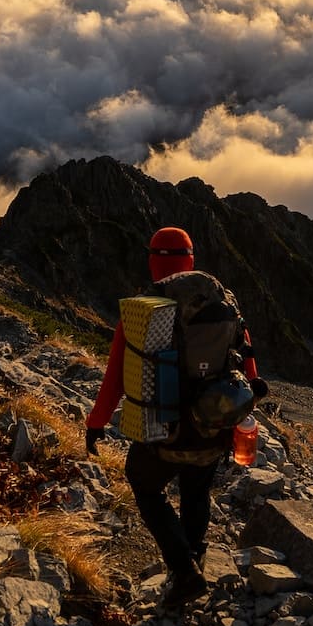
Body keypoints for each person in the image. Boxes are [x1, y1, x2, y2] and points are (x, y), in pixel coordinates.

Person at [85, 226, 267, 606]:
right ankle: (194, 558)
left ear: (153, 260)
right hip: (215, 425)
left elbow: (115, 378)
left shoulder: (144, 311)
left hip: (162, 431)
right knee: (196, 491)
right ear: (191, 259)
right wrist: (247, 402)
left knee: (145, 485)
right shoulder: (224, 300)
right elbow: (247, 358)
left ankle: (184, 571)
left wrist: (95, 424)